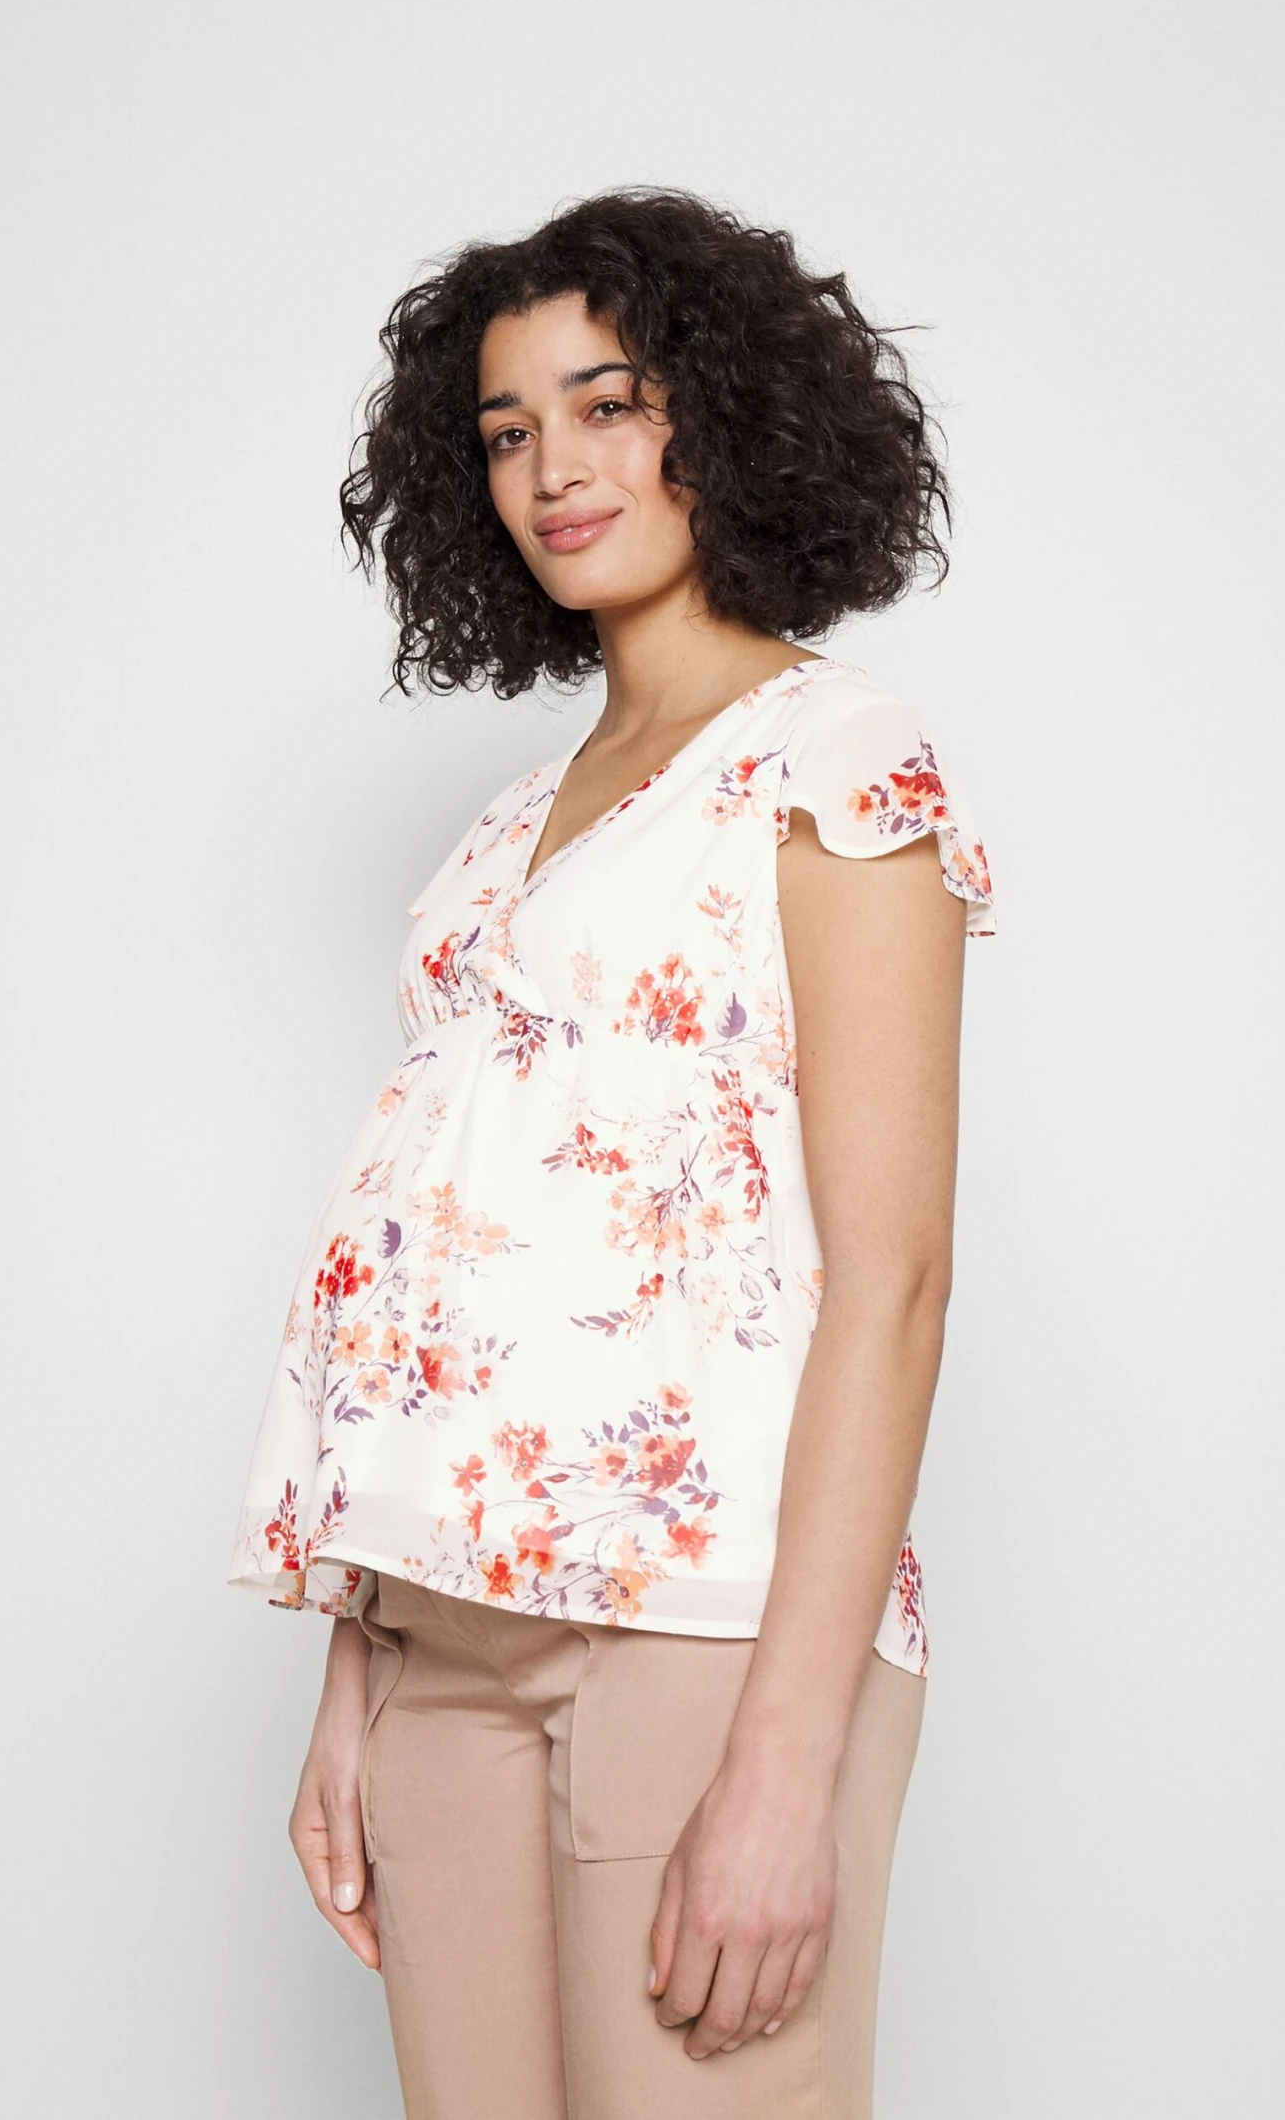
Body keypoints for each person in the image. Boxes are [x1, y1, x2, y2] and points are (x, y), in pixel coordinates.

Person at [227, 186, 996, 2119]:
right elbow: (440, 1251)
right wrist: (359, 1671)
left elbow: (893, 1282)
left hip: (701, 1631)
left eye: (609, 403)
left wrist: (786, 1761)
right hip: (442, 1642)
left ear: (722, 413)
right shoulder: (514, 825)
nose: (555, 469)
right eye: (507, 431)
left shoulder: (835, 762)